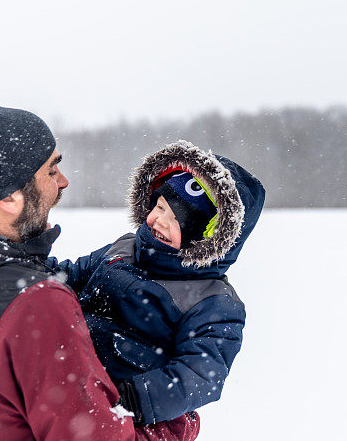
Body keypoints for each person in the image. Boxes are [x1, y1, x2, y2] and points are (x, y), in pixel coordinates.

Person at [0, 103, 199, 441]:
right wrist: (177, 420)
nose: (64, 181)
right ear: (10, 199)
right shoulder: (34, 304)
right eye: (52, 170)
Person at [50, 140, 265, 425]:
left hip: (119, 405)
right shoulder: (123, 249)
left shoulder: (213, 301)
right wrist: (23, 265)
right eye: (161, 207)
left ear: (207, 239)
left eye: (178, 219)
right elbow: (67, 276)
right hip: (62, 370)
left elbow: (200, 374)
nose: (160, 221)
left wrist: (132, 399)